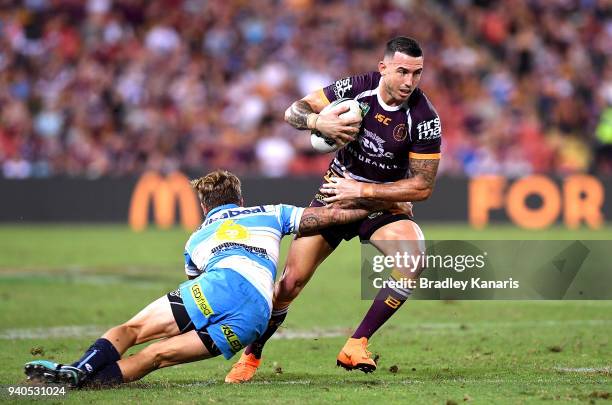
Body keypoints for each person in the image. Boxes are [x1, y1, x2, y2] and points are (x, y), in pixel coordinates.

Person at [23, 169, 395, 388]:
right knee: (157, 357)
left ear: (204, 206)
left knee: (136, 332)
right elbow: (328, 218)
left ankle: (81, 369)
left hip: (221, 284)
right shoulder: (271, 212)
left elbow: (197, 288)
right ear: (239, 196)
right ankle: (84, 386)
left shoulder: (196, 238)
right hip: (256, 317)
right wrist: (382, 201)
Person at [225, 36, 441, 382]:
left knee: (413, 259)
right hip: (333, 197)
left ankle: (356, 343)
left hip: (381, 203)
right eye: (402, 71)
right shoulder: (356, 88)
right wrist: (317, 123)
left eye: (417, 73)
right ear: (383, 67)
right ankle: (252, 356)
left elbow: (422, 186)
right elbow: (293, 110)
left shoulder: (424, 118)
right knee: (290, 283)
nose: (409, 81)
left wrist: (363, 190)